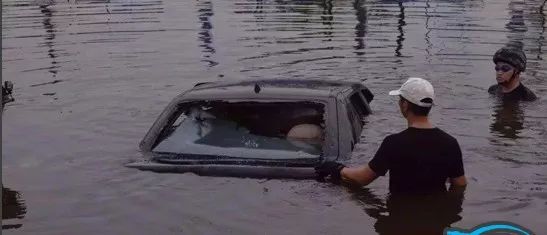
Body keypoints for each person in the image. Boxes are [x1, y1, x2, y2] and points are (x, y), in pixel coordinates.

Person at [316, 77, 467, 194]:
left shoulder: (394, 143)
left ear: (405, 105)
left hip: (400, 215)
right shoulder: (450, 143)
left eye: (400, 100)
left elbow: (362, 178)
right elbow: (460, 185)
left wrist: (338, 169)